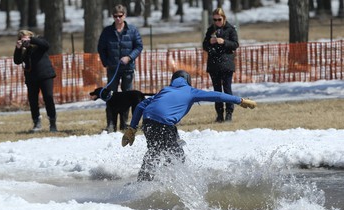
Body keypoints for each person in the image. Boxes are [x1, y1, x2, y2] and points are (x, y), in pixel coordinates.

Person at [121, 70, 256, 182]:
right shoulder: (191, 91)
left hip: (148, 121)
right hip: (164, 123)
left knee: (154, 150)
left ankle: (143, 181)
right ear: (188, 80)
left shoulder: (165, 90)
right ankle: (174, 183)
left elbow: (140, 106)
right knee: (176, 155)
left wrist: (132, 129)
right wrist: (239, 100)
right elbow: (217, 95)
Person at [97, 4, 143, 132]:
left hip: (128, 69)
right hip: (113, 69)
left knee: (127, 96)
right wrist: (106, 62)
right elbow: (101, 48)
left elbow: (138, 46)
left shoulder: (132, 30)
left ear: (125, 15)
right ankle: (110, 124)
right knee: (110, 96)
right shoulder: (107, 31)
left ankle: (124, 123)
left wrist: (129, 57)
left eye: (120, 16)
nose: (118, 18)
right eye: (115, 16)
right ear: (113, 16)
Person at [13, 30, 57, 132]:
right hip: (31, 78)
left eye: (25, 37)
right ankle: (37, 123)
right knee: (33, 101)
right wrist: (18, 48)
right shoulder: (24, 49)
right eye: (21, 38)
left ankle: (52, 123)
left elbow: (46, 45)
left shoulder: (39, 41)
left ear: (30, 36)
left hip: (45, 75)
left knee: (48, 97)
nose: (23, 40)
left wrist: (31, 40)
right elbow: (17, 61)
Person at [203, 8, 239, 123]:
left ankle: (229, 113)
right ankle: (219, 115)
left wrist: (223, 42)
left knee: (227, 90)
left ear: (224, 18)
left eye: (219, 19)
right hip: (214, 65)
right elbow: (204, 45)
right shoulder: (210, 30)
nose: (217, 21)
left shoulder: (230, 29)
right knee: (216, 91)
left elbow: (235, 44)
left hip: (226, 64)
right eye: (215, 19)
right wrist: (210, 43)